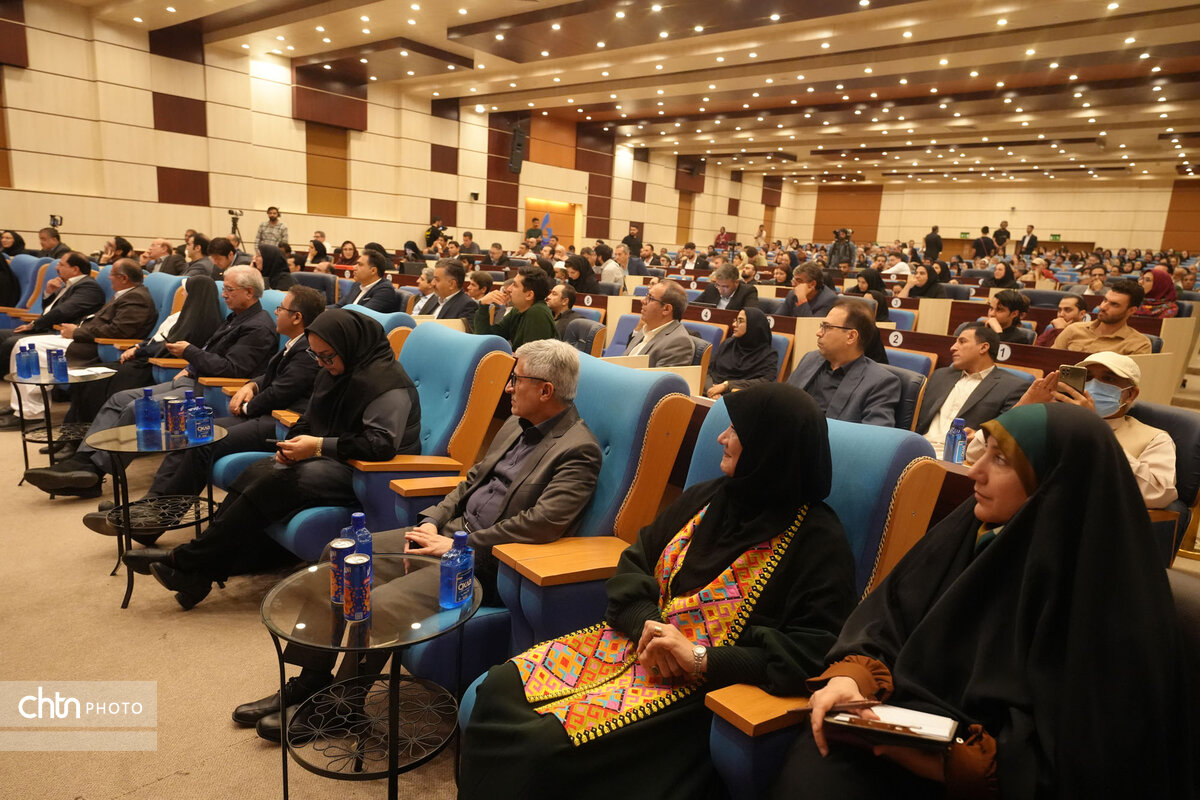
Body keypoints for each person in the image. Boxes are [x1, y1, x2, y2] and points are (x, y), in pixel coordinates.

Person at [772, 403, 1189, 800]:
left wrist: (939, 759)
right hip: (891, 729)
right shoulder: (966, 531)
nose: (975, 470)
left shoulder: (1104, 598)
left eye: (1001, 460)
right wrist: (851, 680)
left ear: (1053, 481)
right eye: (983, 451)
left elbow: (1083, 760)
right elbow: (886, 621)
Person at [460, 382, 856, 799]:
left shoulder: (818, 541)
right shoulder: (709, 497)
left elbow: (809, 652)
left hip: (701, 693)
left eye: (736, 430)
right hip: (630, 644)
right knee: (500, 686)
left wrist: (700, 658)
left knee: (543, 747)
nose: (722, 437)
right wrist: (647, 627)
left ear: (769, 448)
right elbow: (634, 564)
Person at [233, 338, 603, 740]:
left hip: (484, 563)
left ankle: (343, 706)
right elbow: (471, 481)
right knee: (340, 555)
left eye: (517, 379)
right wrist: (433, 520)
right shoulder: (516, 424)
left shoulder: (578, 450)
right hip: (446, 536)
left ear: (546, 390)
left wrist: (461, 545)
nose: (509, 387)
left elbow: (542, 523)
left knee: (380, 603)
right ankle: (312, 679)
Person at [118, 310, 419, 610]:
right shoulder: (333, 373)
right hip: (331, 459)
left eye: (327, 356)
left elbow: (379, 445)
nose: (321, 364)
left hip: (369, 474)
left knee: (274, 483)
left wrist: (316, 446)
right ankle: (197, 571)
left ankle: (186, 561)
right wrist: (290, 445)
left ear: (350, 346)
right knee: (256, 472)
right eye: (316, 356)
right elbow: (308, 420)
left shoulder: (386, 383)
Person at [81, 286, 325, 538]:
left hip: (280, 423)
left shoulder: (308, 349)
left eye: (281, 308)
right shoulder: (297, 342)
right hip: (267, 414)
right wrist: (252, 385)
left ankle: (155, 522)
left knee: (204, 441)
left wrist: (246, 406)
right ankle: (150, 505)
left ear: (296, 317)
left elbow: (283, 390)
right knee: (190, 433)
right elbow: (275, 375)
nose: (276, 312)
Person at [23, 266, 279, 496]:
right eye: (224, 289)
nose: (223, 295)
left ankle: (93, 472)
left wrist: (189, 353)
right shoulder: (236, 317)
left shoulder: (258, 326)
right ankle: (83, 459)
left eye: (229, 290)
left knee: (137, 409)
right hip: (192, 379)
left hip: (211, 390)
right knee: (118, 399)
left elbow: (232, 369)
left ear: (249, 292)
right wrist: (190, 365)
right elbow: (212, 352)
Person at [966, 351, 1176, 510]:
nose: (1094, 385)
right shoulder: (1048, 420)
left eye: (1108, 379)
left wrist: (1093, 428)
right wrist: (1021, 409)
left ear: (1131, 394)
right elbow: (974, 454)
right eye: (1088, 377)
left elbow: (1159, 493)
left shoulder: (1153, 438)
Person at [0, 259, 157, 430]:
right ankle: (21, 406)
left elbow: (119, 331)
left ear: (124, 278)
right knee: (23, 344)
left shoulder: (137, 297)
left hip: (96, 346)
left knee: (30, 349)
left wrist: (77, 332)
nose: (109, 278)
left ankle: (30, 413)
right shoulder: (126, 293)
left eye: (112, 274)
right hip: (84, 338)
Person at [915, 323, 1026, 458]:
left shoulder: (1012, 386)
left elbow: (1006, 433)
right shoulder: (940, 375)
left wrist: (979, 436)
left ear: (983, 347)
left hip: (961, 459)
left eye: (962, 342)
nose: (953, 347)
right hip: (918, 448)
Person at [787, 300, 900, 427]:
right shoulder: (810, 359)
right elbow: (783, 403)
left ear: (851, 336)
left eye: (827, 327)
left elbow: (875, 435)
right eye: (821, 326)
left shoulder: (880, 383)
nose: (818, 333)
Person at [0, 252, 106, 368]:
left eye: (61, 265)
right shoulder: (67, 284)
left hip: (59, 332)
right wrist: (49, 293)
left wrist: (33, 324)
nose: (56, 267)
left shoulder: (89, 287)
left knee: (11, 343)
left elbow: (62, 312)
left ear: (75, 269)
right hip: (45, 327)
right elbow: (51, 310)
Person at [1054, 279, 1151, 355]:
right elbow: (1051, 361)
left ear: (1131, 310)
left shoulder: (1139, 344)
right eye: (1105, 300)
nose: (1103, 307)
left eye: (1114, 304)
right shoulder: (1073, 329)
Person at [474, 264, 557, 348]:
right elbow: (489, 338)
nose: (509, 289)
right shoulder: (518, 309)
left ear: (529, 295)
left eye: (515, 285)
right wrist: (483, 306)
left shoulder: (538, 313)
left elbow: (532, 355)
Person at [705, 308, 778, 398]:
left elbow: (766, 382)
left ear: (752, 325)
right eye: (735, 320)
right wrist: (711, 390)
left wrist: (727, 385)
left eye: (740, 321)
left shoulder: (768, 355)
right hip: (710, 393)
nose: (734, 324)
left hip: (741, 398)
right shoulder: (728, 344)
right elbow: (707, 370)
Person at [624, 280, 694, 367]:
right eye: (646, 296)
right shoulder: (647, 327)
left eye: (650, 298)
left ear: (666, 309)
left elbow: (659, 376)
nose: (643, 300)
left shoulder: (679, 343)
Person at [695, 261, 760, 310]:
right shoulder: (711, 288)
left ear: (736, 282)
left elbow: (750, 316)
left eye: (725, 287)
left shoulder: (748, 292)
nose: (720, 290)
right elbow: (693, 307)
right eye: (718, 285)